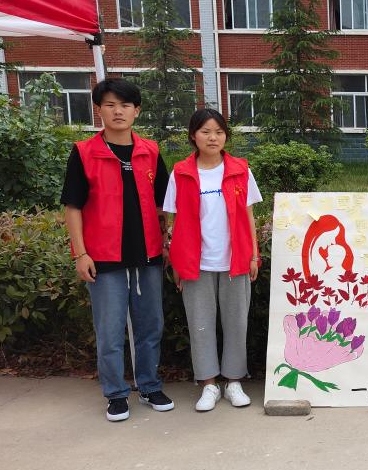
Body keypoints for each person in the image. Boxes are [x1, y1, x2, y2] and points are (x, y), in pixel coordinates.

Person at [61, 78, 173, 422]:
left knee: (150, 325)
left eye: (125, 105)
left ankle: (149, 385)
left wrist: (166, 241)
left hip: (148, 255)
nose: (118, 111)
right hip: (104, 258)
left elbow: (164, 203)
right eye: (110, 105)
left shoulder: (150, 151)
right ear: (99, 110)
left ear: (136, 111)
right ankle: (116, 393)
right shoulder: (85, 152)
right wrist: (81, 253)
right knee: (109, 331)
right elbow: (72, 207)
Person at [163, 109, 262, 412]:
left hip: (235, 260)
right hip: (197, 263)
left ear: (225, 136)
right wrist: (177, 262)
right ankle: (208, 384)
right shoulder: (180, 173)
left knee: (236, 324)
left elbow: (249, 215)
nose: (212, 138)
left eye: (219, 132)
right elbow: (172, 221)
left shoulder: (240, 170)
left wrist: (254, 254)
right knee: (200, 326)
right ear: (193, 136)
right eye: (205, 132)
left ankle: (233, 382)